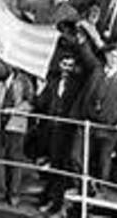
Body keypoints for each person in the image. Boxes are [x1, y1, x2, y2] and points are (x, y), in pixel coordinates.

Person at [70, 42, 117, 188]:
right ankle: (82, 186)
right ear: (106, 56)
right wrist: (76, 116)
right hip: (88, 122)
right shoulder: (96, 72)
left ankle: (99, 190)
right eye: (112, 56)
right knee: (75, 156)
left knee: (103, 161)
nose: (114, 60)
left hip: (108, 127)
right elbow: (84, 95)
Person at [34, 49, 86, 216]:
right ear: (59, 64)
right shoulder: (53, 81)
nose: (67, 69)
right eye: (64, 64)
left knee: (61, 168)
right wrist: (39, 90)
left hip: (66, 131)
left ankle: (55, 203)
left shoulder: (77, 85)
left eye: (70, 65)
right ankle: (48, 198)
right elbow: (40, 104)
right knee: (50, 165)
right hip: (50, 130)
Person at [0, 61, 33, 207]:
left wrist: (15, 110)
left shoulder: (24, 80)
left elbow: (30, 103)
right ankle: (0, 191)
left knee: (14, 158)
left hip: (15, 124)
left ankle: (14, 193)